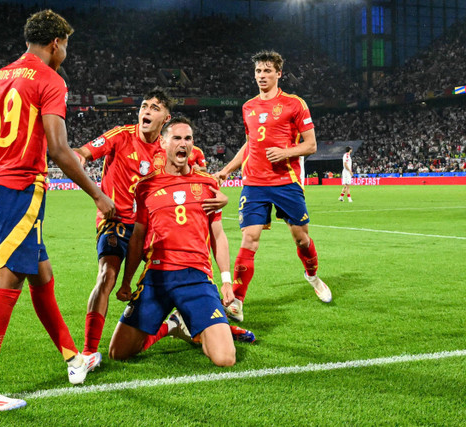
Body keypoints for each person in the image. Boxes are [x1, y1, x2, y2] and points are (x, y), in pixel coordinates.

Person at [0, 10, 115, 414]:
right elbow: (59, 149)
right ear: (56, 43)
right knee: (8, 280)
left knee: (41, 273)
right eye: (66, 44)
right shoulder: (51, 80)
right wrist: (98, 195)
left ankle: (73, 358)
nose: (65, 51)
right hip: (23, 188)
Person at [74, 90, 226, 358]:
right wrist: (89, 181)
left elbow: (202, 178)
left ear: (164, 118)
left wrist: (219, 193)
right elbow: (82, 153)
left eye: (154, 108)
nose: (146, 110)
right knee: (107, 276)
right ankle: (88, 353)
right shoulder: (121, 136)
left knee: (171, 275)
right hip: (117, 221)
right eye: (144, 106)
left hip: (152, 228)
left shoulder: (170, 144)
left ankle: (199, 323)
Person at [108, 117, 236, 367]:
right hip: (157, 276)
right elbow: (137, 238)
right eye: (176, 138)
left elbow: (218, 235)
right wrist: (126, 281)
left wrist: (226, 280)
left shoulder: (208, 185)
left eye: (188, 138)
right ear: (163, 143)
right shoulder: (145, 188)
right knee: (118, 352)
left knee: (225, 358)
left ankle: (202, 326)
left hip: (196, 276)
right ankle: (172, 326)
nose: (183, 143)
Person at [215, 50, 332, 324]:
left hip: (285, 182)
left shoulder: (294, 104)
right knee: (250, 238)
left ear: (279, 73)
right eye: (258, 71)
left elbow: (311, 145)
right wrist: (227, 170)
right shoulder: (248, 107)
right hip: (254, 183)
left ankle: (312, 276)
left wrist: (286, 153)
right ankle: (238, 300)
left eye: (267, 71)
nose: (262, 76)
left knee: (301, 238)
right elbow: (250, 145)